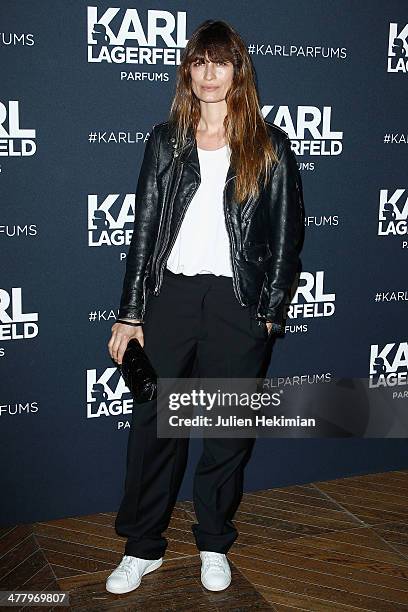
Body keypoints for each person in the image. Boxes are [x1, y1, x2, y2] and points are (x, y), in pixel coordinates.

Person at [106, 19, 304, 595]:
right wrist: (130, 312)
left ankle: (213, 541)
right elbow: (143, 232)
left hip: (236, 303)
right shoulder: (164, 141)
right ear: (187, 71)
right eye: (199, 62)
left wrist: (268, 311)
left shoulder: (268, 145)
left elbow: (288, 235)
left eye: (221, 62)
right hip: (170, 298)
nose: (209, 74)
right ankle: (141, 547)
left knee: (225, 431)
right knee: (154, 427)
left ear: (238, 71)